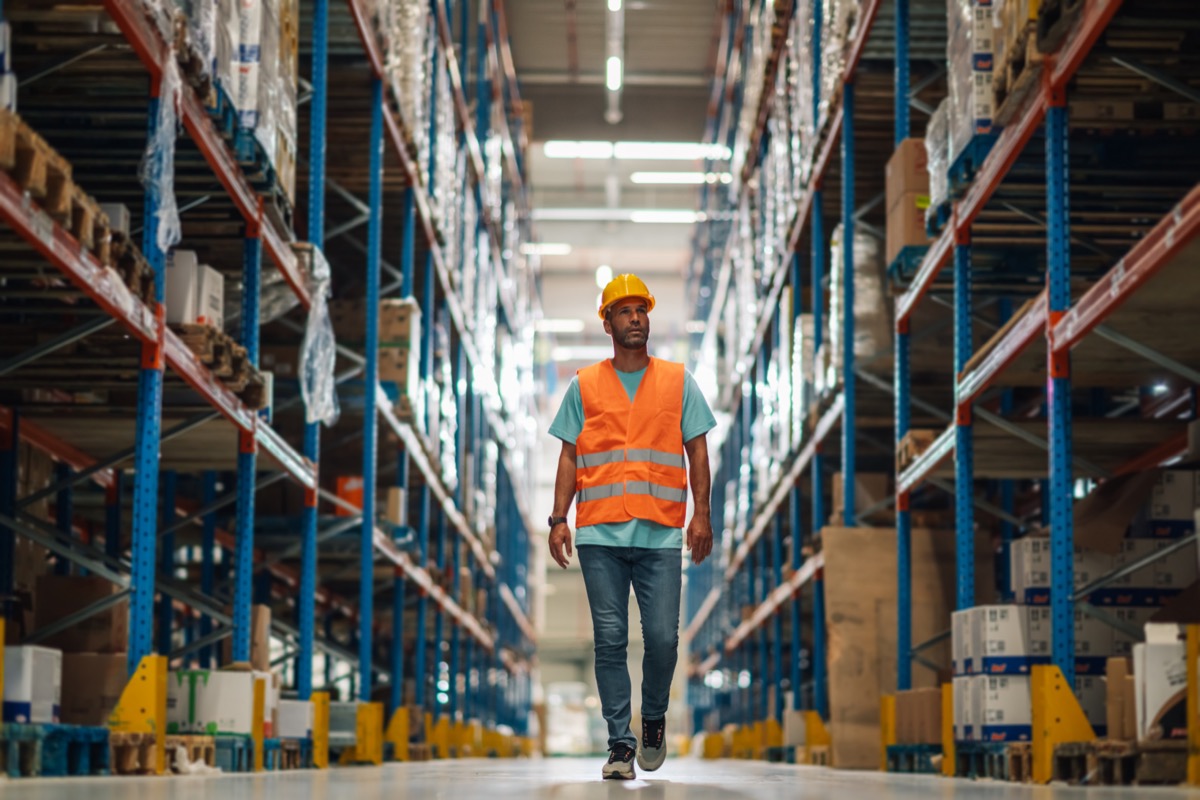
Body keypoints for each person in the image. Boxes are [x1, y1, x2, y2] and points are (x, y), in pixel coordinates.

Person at [547, 273, 715, 780]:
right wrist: (558, 519)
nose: (636, 318)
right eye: (625, 311)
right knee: (610, 639)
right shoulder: (584, 384)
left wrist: (702, 514)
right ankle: (620, 745)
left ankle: (653, 717)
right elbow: (568, 455)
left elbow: (698, 450)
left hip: (660, 532)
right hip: (599, 534)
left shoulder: (678, 381)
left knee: (662, 639)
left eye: (642, 309)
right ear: (608, 324)